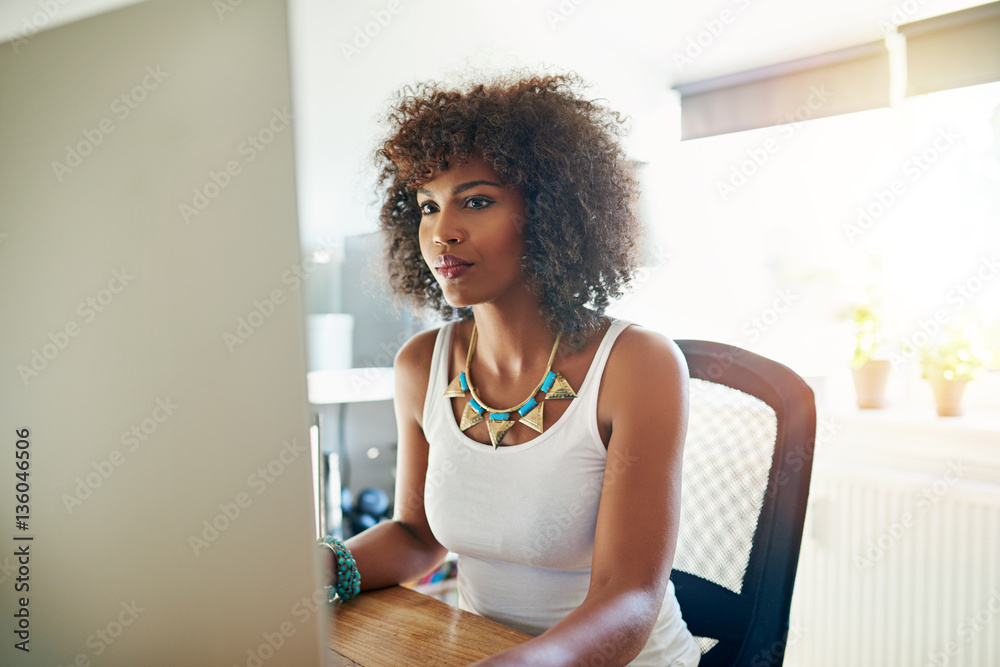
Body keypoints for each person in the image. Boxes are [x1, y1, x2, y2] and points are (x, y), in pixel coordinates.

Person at [319, 71, 701, 666]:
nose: (442, 232)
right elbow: (418, 538)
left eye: (477, 200)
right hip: (479, 650)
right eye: (427, 206)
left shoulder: (637, 365)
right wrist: (319, 567)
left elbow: (628, 599)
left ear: (552, 211)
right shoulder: (422, 364)